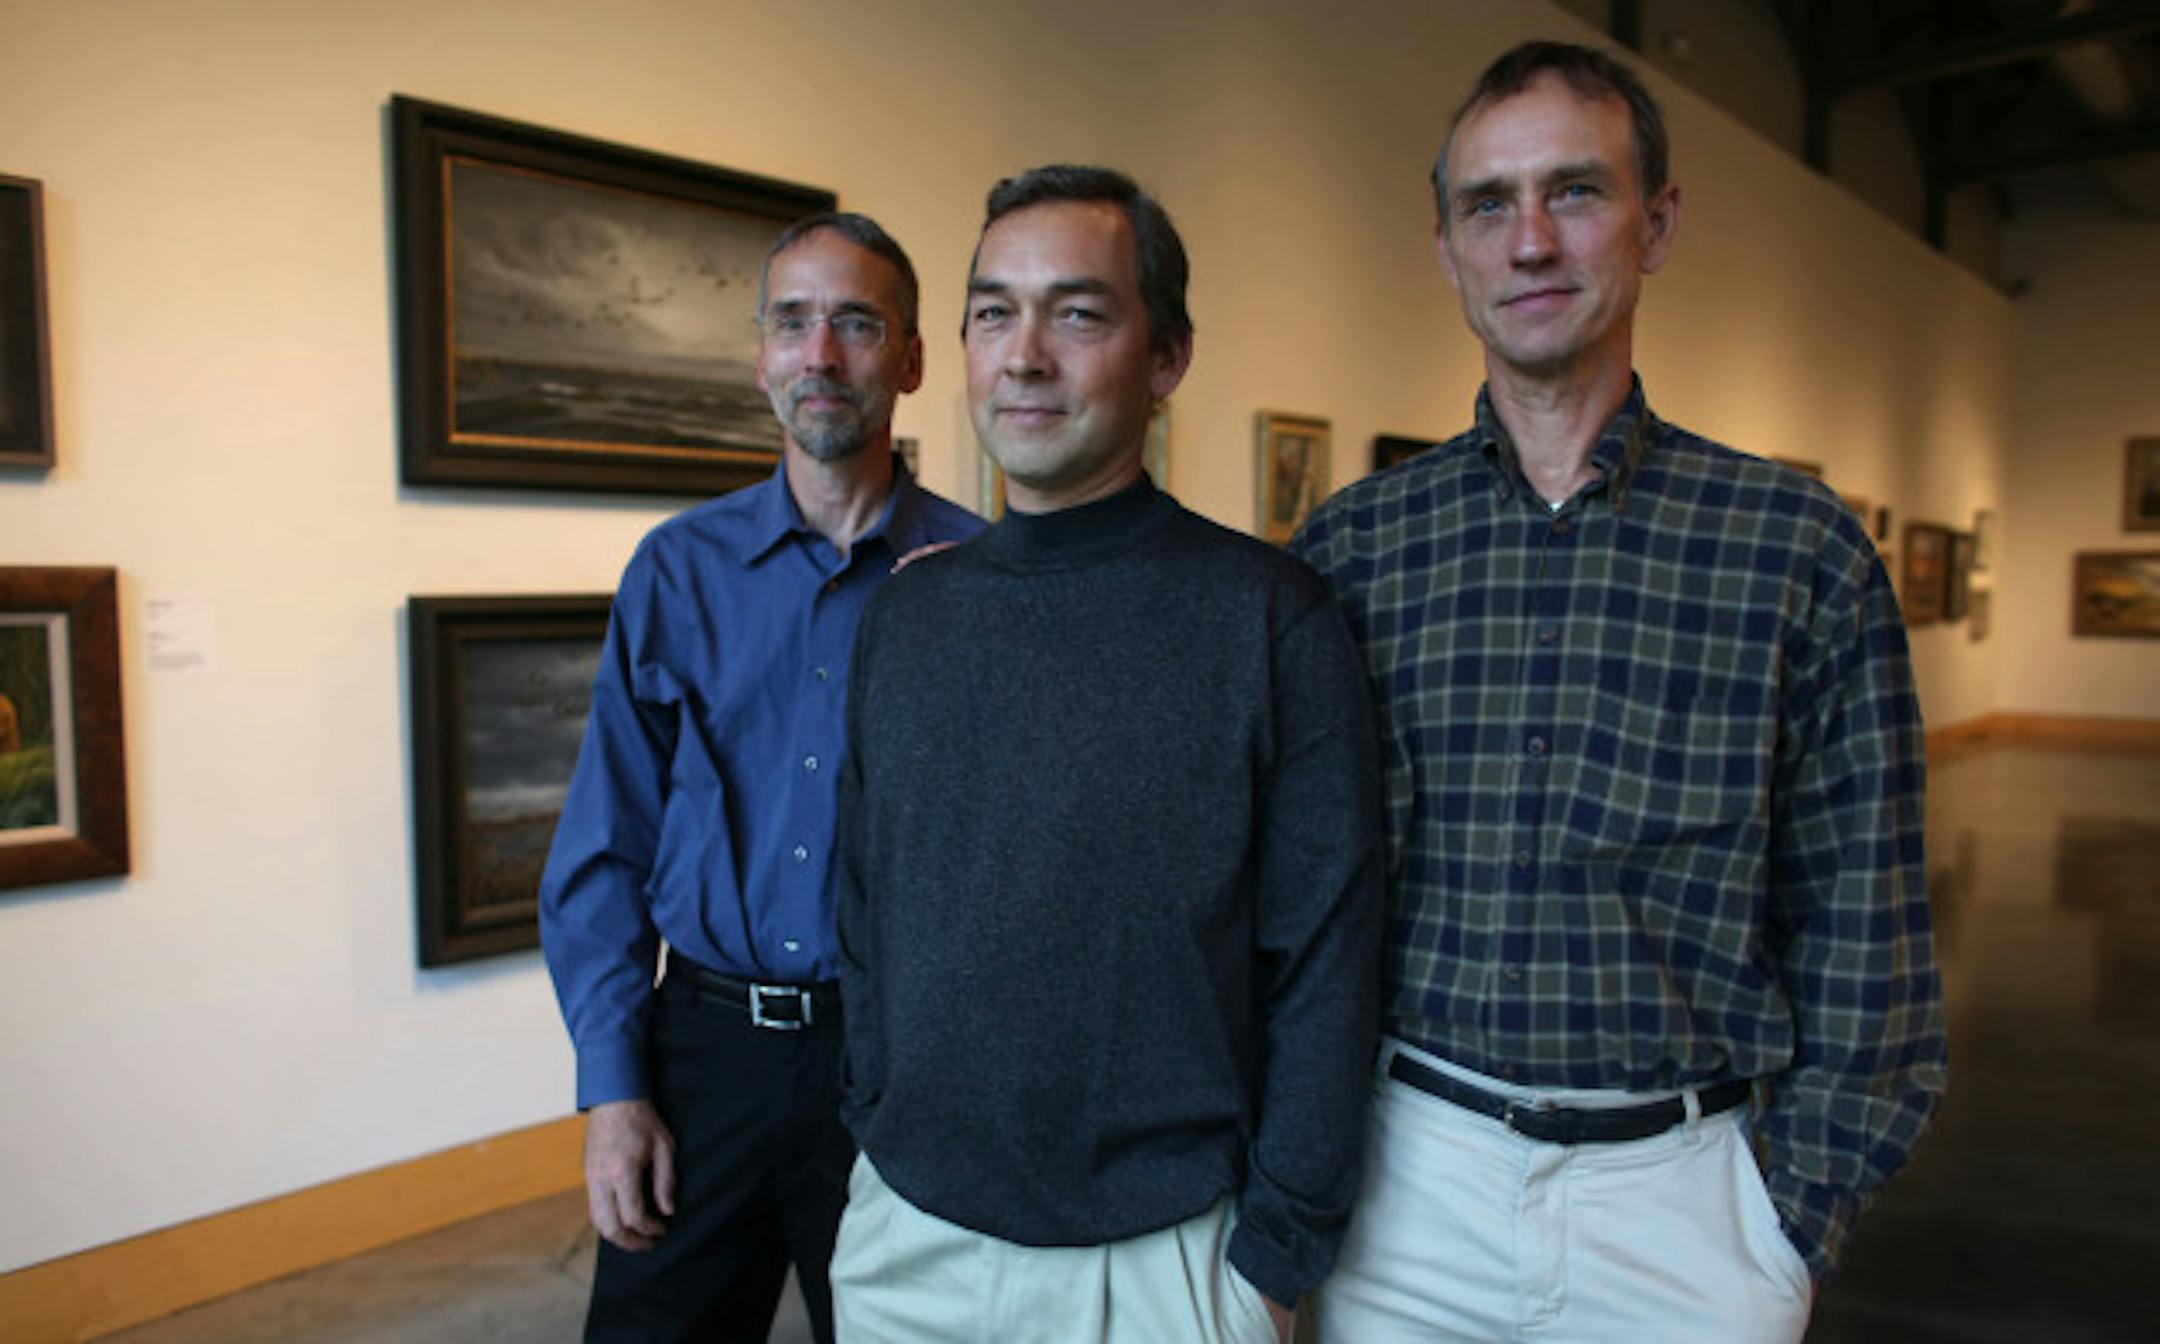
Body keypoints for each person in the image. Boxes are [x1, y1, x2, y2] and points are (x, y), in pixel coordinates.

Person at [1290, 41, 1947, 1344]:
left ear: (1658, 222)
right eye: (1488, 203)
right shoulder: (1352, 551)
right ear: (1446, 249)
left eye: (1574, 192)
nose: (1529, 239)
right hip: (1404, 1190)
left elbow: (1868, 936)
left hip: (1687, 1209)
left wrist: (1786, 1223)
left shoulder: (1794, 551)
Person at [828, 165, 1384, 1344]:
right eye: (994, 311)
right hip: (908, 1242)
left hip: (1164, 1262)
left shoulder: (1268, 616)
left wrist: (1278, 1255)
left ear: (1167, 356)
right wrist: (874, 1110)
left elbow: (1328, 966)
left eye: (1078, 313)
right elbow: (865, 906)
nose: (1025, 354)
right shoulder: (909, 617)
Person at [538, 211, 983, 1343]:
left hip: (900, 1056)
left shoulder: (983, 582)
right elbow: (605, 847)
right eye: (793, 323)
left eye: (855, 323)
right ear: (760, 356)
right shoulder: (676, 572)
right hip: (702, 1056)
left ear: (913, 358)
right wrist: (614, 1090)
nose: (820, 355)